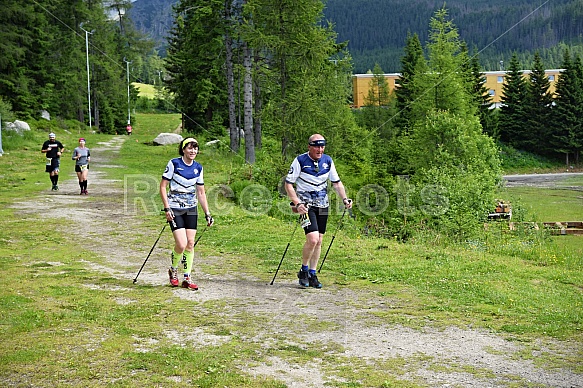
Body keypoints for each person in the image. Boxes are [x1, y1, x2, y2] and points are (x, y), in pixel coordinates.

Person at [285, 134, 352, 288]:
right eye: (316, 146)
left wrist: (345, 199)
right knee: (313, 239)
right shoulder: (300, 161)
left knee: (320, 240)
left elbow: (336, 183)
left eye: (322, 146)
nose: (319, 149)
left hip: (323, 204)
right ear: (309, 146)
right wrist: (297, 203)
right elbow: (288, 185)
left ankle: (313, 274)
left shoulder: (327, 161)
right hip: (305, 206)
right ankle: (304, 270)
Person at [160, 138, 214, 290]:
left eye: (195, 148)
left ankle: (187, 277)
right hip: (175, 208)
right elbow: (163, 187)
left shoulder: (198, 168)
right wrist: (167, 208)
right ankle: (173, 269)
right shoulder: (174, 164)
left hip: (191, 208)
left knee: (190, 244)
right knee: (181, 244)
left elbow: (201, 192)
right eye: (190, 148)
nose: (193, 151)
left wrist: (207, 213)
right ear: (183, 149)